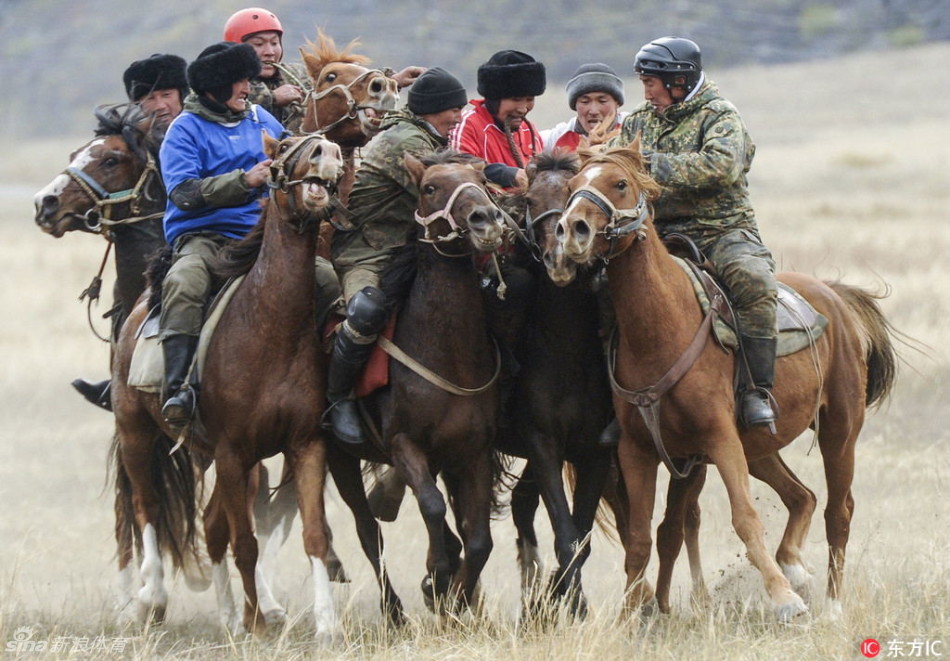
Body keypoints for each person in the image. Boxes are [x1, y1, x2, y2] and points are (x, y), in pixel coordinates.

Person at [610, 36, 779, 431]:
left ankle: (757, 390)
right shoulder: (636, 121)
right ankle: (616, 401)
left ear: (679, 81)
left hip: (721, 231)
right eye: (644, 82)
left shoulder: (720, 116)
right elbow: (617, 167)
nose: (646, 91)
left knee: (753, 282)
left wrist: (646, 164)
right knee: (603, 289)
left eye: (651, 82)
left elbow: (719, 167)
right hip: (656, 235)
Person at [325, 67, 469, 446]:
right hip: (367, 252)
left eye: (461, 109)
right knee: (365, 311)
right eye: (452, 109)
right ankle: (338, 399)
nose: (458, 117)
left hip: (408, 250)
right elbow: (446, 191)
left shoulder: (425, 136)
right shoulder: (406, 141)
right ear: (429, 110)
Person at [157, 41, 286, 429]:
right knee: (183, 282)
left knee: (326, 279)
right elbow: (184, 193)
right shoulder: (184, 130)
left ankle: (334, 392)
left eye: (248, 80)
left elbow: (291, 153)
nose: (248, 88)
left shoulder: (262, 118)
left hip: (263, 235)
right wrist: (245, 180)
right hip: (205, 237)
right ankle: (178, 386)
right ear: (214, 88)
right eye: (239, 82)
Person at [71, 53, 188, 411]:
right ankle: (123, 376)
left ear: (182, 94)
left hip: (204, 232)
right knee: (127, 290)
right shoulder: (131, 144)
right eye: (147, 99)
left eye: (166, 95)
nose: (158, 106)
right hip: (152, 243)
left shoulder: (198, 128)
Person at [224, 7, 426, 133]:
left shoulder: (296, 74)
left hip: (311, 160)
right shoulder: (223, 83)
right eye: (258, 44)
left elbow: (344, 82)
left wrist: (393, 80)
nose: (269, 52)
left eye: (274, 43)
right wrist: (271, 99)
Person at [450, 50, 546, 191]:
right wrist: (506, 174)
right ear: (493, 98)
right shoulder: (468, 125)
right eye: (516, 99)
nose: (523, 109)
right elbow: (458, 168)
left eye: (530, 99)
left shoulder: (529, 130)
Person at [540, 62, 627, 152]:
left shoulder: (635, 129)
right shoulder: (558, 137)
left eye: (602, 101)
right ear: (575, 105)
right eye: (585, 102)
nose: (594, 111)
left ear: (617, 103)